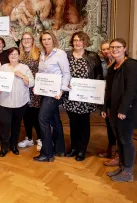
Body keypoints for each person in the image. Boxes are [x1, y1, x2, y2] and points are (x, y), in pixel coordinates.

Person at [102, 38, 137, 182]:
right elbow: (108, 90)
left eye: (118, 47)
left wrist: (123, 110)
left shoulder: (131, 64)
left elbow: (131, 89)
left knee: (126, 140)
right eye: (112, 47)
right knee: (120, 140)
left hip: (126, 111)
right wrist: (104, 107)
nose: (114, 50)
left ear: (124, 48)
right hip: (113, 110)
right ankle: (122, 167)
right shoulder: (113, 67)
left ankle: (128, 173)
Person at [63, 31, 103, 161]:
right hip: (70, 96)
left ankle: (82, 150)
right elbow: (62, 72)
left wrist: (95, 93)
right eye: (75, 40)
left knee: (84, 123)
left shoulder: (92, 56)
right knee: (73, 123)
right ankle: (74, 148)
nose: (77, 43)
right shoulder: (67, 56)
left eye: (80, 40)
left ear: (85, 42)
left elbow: (98, 75)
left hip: (86, 97)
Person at [33, 31, 70, 162]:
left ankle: (47, 153)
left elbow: (66, 73)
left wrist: (62, 90)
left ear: (53, 40)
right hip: (45, 91)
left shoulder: (60, 54)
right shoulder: (42, 54)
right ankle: (59, 148)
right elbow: (41, 74)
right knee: (54, 119)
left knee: (42, 118)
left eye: (49, 39)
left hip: (55, 93)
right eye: (44, 39)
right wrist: (37, 87)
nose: (46, 41)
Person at [0, 47, 34, 157]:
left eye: (15, 54)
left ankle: (13, 145)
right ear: (8, 56)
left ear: (19, 55)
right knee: (5, 124)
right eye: (11, 54)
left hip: (20, 102)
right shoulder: (3, 67)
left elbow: (32, 83)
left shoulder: (24, 67)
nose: (13, 56)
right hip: (5, 102)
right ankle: (4, 146)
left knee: (16, 125)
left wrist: (22, 76)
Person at [17, 32, 42, 152]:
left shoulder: (38, 54)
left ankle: (41, 138)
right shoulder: (20, 54)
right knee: (26, 115)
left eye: (28, 38)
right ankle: (29, 138)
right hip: (23, 88)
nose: (26, 40)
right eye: (24, 39)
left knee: (36, 115)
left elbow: (42, 72)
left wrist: (38, 86)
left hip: (35, 89)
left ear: (33, 40)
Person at [97, 40, 118, 165]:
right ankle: (110, 149)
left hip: (116, 98)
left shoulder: (119, 63)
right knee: (109, 125)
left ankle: (118, 154)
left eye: (107, 48)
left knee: (116, 127)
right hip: (106, 98)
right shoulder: (103, 63)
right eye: (103, 49)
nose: (106, 51)